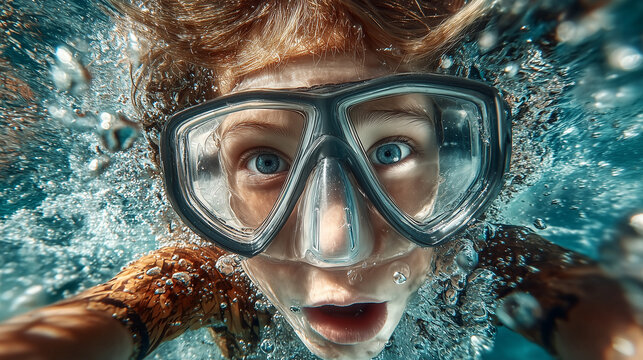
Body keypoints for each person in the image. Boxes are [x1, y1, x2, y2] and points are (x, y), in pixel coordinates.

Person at [0, 0, 641, 359]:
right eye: (266, 162)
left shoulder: (475, 261)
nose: (337, 242)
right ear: (204, 181)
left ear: (460, 159)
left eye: (390, 150)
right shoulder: (206, 278)